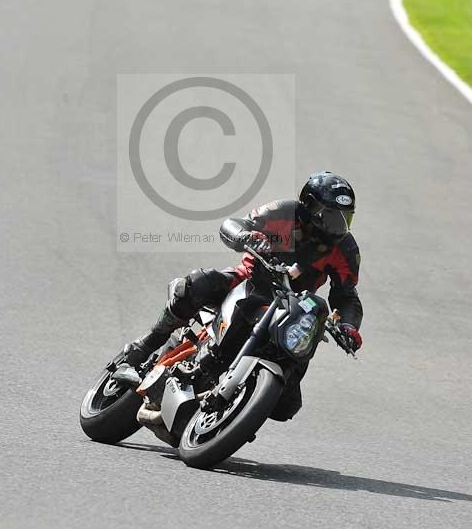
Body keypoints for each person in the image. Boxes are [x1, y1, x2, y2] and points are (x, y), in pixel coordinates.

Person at [124, 171, 363, 420]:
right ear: (310, 206)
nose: (338, 227)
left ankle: (239, 409)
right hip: (248, 280)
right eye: (331, 217)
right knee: (196, 284)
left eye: (345, 219)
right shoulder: (284, 212)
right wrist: (246, 236)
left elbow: (346, 295)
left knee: (287, 405)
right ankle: (144, 346)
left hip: (291, 308)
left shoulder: (345, 248)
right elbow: (235, 224)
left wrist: (348, 326)